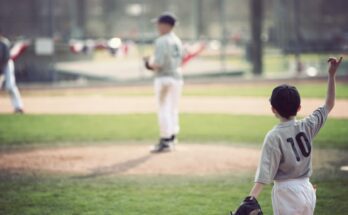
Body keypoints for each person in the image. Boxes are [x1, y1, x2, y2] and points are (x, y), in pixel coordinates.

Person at [233, 57, 342, 215]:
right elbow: (329, 104)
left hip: (286, 192)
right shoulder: (307, 125)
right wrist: (331, 75)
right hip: (307, 189)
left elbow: (264, 174)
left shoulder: (274, 136)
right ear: (298, 108)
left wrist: (250, 199)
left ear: (273, 110)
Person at [143, 12, 184, 153]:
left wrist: (148, 64)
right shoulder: (177, 40)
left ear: (166, 25)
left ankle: (165, 140)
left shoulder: (162, 40)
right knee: (173, 109)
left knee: (163, 109)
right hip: (177, 77)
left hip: (164, 78)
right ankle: (172, 137)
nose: (157, 26)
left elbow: (158, 63)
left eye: (159, 23)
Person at [0, 31, 24, 114]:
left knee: (10, 86)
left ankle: (18, 107)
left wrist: (2, 73)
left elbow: (5, 59)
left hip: (6, 65)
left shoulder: (4, 43)